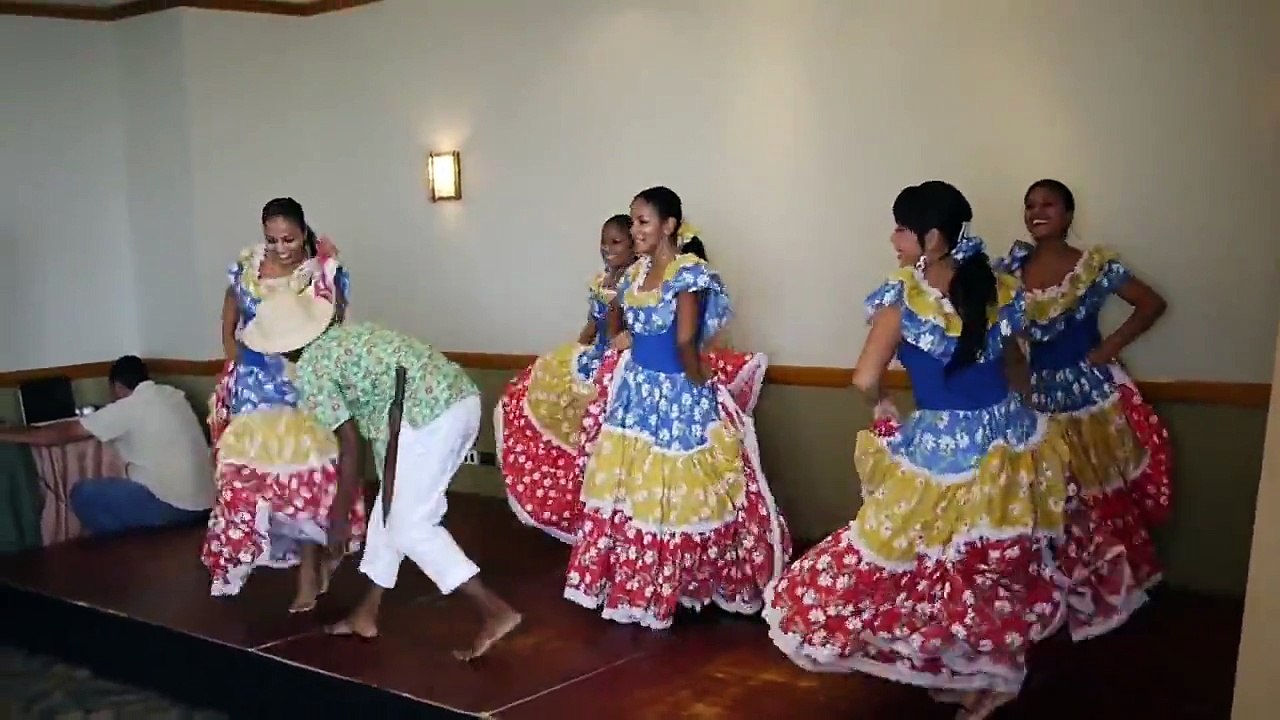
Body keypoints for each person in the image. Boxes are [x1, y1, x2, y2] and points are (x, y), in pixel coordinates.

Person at [762, 181, 1069, 720]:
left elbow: (863, 377)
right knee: (991, 564)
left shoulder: (904, 296)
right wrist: (1023, 419)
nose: (893, 238)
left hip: (941, 448)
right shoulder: (995, 286)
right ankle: (984, 675)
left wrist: (882, 404)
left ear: (930, 236)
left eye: (901, 228)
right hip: (1006, 442)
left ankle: (964, 673)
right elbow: (1016, 368)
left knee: (922, 561)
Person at [244, 289, 521, 659]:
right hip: (457, 401)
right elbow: (389, 405)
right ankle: (366, 614)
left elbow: (349, 444)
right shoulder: (348, 334)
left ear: (279, 348)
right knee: (390, 512)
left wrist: (339, 516)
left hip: (427, 416)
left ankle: (494, 610)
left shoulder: (312, 368)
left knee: (410, 526)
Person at [564, 185, 791, 630]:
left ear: (669, 226)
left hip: (674, 391)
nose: (636, 230)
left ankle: (681, 582)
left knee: (676, 488)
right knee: (638, 489)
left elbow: (688, 339)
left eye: (643, 221)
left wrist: (698, 381)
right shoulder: (635, 275)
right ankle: (639, 581)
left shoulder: (689, 273)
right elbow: (621, 329)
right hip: (636, 392)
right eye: (633, 222)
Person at [498, 214, 769, 543]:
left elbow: (643, 333)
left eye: (618, 241)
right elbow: (596, 329)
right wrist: (579, 350)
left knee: (657, 460)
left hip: (638, 366)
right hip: (615, 356)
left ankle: (654, 535)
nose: (607, 248)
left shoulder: (650, 281)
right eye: (605, 242)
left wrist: (620, 332)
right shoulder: (619, 281)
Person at [996, 179, 1171, 640]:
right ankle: (1062, 598)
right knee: (1051, 500)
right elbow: (993, 326)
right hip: (1036, 396)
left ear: (1069, 214)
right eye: (1029, 205)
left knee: (1095, 494)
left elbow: (1151, 303)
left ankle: (1116, 593)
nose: (1036, 211)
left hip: (1088, 396)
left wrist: (1108, 347)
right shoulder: (1011, 270)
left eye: (1048, 204)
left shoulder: (1092, 266)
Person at [201, 197, 367, 612]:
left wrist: (326, 278)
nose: (280, 247)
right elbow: (231, 305)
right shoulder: (249, 268)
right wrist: (231, 351)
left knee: (304, 481)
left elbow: (335, 322)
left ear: (303, 232)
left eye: (288, 238)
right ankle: (242, 551)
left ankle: (310, 571)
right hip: (255, 386)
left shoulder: (320, 272)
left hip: (300, 384)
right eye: (271, 239)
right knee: (245, 476)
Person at [0, 356, 213, 537]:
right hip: (207, 502)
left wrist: (6, 432)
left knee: (83, 493)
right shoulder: (173, 395)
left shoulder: (128, 407)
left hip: (175, 508)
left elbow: (59, 434)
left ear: (117, 386)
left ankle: (125, 547)